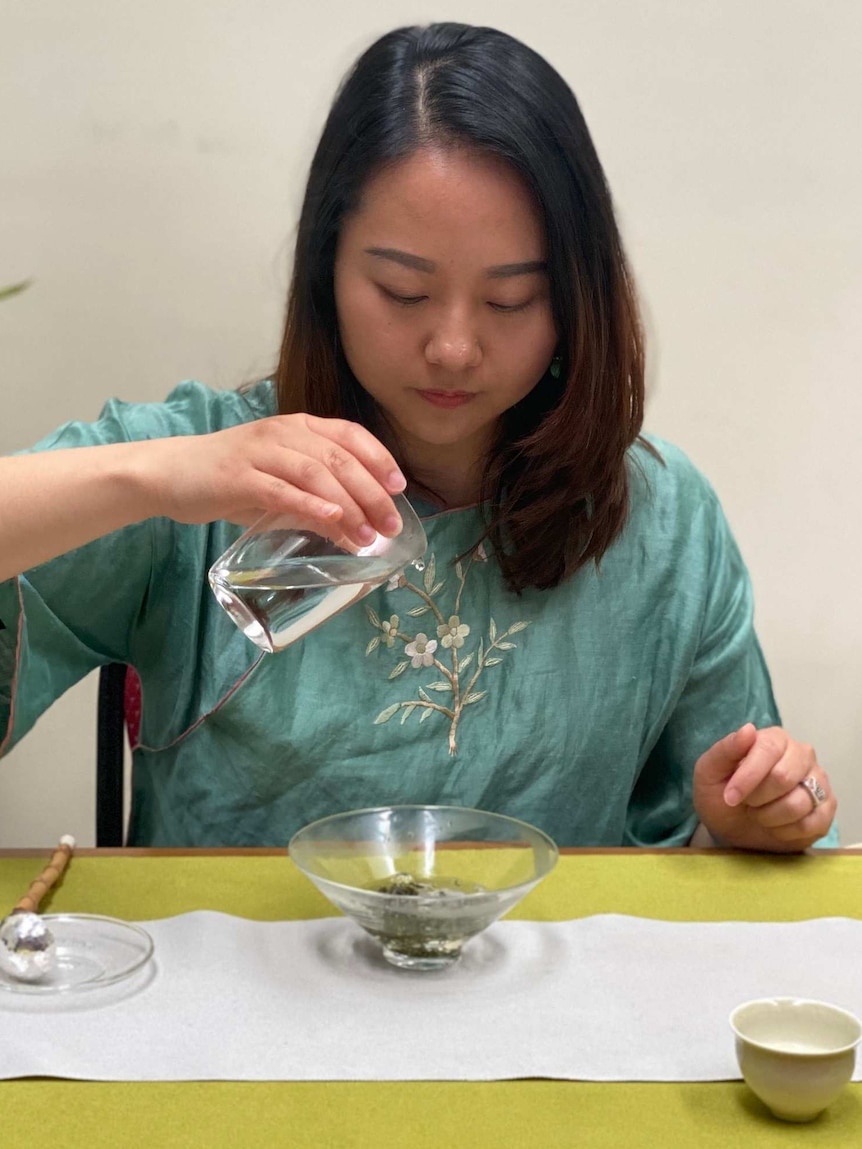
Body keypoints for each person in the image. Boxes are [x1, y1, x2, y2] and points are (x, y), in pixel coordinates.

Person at [0, 23, 837, 850]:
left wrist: (743, 821)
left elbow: (717, 835)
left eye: (509, 300)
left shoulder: (661, 520)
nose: (454, 347)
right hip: (240, 971)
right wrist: (150, 475)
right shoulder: (213, 467)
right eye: (403, 290)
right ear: (327, 270)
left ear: (576, 298)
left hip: (551, 980)